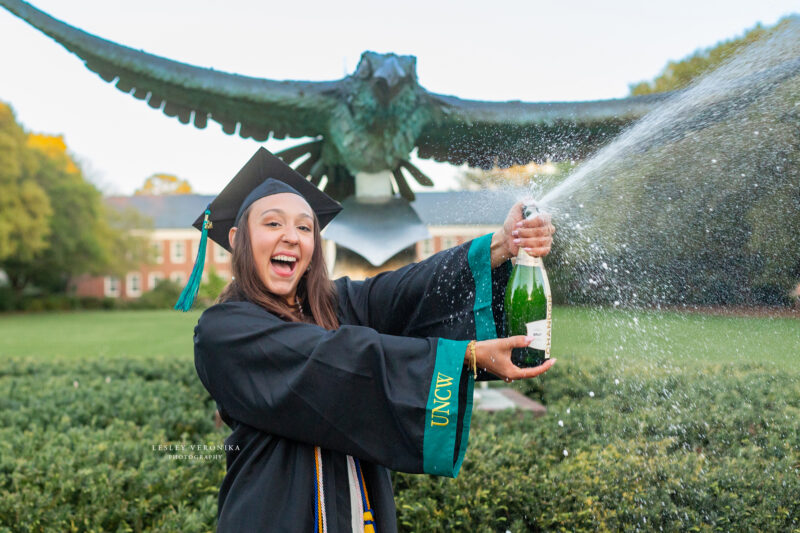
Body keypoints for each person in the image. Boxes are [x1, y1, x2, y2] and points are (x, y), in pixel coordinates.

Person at [185, 147, 556, 532]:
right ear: (236, 237)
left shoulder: (335, 305)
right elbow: (327, 359)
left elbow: (404, 291)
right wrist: (463, 354)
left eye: (304, 227)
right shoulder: (222, 331)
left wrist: (501, 245)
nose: (291, 238)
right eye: (273, 224)